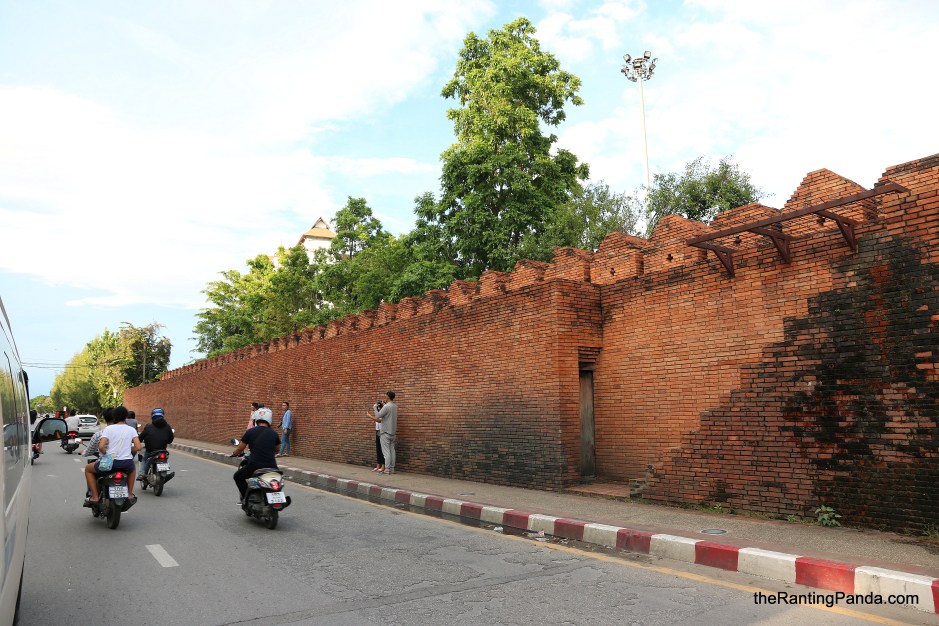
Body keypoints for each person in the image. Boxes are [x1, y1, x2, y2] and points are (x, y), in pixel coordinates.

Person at [84, 406, 140, 504]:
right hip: (126, 463)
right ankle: (130, 494)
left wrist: (107, 455)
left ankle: (95, 497)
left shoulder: (108, 429)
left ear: (114, 416)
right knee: (133, 469)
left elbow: (101, 447)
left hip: (110, 464)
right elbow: (138, 447)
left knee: (88, 469)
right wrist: (129, 450)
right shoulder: (131, 429)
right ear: (126, 416)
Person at [231, 411, 280, 503]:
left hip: (255, 466)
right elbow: (277, 450)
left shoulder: (250, 432)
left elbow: (240, 448)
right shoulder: (274, 433)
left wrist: (235, 453)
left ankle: (246, 498)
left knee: (237, 476)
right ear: (269, 420)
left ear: (256, 419)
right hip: (272, 466)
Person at [138, 408, 175, 480]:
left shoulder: (148, 427)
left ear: (152, 416)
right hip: (163, 451)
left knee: (143, 458)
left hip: (150, 451)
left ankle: (142, 474)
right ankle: (164, 474)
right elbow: (170, 440)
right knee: (165, 459)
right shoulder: (168, 427)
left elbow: (140, 438)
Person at [366, 391, 397, 475]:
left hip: (385, 432)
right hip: (393, 432)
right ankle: (392, 469)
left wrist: (375, 408)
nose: (384, 397)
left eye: (385, 396)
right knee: (392, 451)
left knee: (386, 452)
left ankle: (387, 469)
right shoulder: (395, 406)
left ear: (388, 397)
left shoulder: (387, 406)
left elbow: (378, 416)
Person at [370, 400, 384, 472]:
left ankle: (383, 466)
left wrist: (370, 416)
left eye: (379, 406)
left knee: (382, 449)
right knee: (378, 448)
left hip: (382, 431)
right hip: (377, 431)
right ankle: (378, 464)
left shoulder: (383, 412)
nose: (378, 408)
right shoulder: (377, 412)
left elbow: (379, 420)